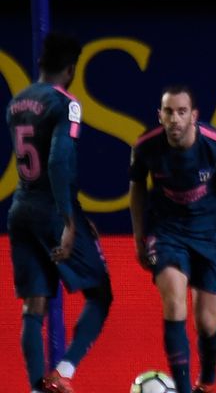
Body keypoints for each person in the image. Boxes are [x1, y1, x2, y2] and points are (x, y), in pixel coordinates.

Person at [128, 85, 216, 393]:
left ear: (194, 116)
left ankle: (208, 377)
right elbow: (136, 188)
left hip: (211, 237)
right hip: (167, 234)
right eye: (168, 112)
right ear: (159, 116)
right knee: (175, 304)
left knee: (206, 323)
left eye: (181, 112)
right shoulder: (145, 147)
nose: (174, 119)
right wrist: (139, 238)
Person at [6, 33, 113, 393]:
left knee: (33, 308)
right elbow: (58, 161)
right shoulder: (66, 104)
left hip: (21, 209)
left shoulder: (17, 101)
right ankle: (64, 371)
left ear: (40, 63)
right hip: (53, 212)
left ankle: (38, 387)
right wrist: (70, 220)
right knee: (101, 294)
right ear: (71, 70)